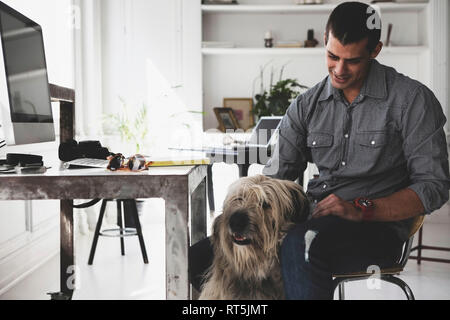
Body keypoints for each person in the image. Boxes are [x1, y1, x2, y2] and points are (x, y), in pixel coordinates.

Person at [189, 1, 450, 300]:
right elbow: (276, 179)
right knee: (199, 255)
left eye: (352, 60)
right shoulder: (305, 106)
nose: (339, 69)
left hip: (379, 229)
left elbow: (434, 186)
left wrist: (361, 209)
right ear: (325, 41)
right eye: (332, 56)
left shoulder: (412, 101)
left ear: (375, 51)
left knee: (302, 243)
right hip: (312, 220)